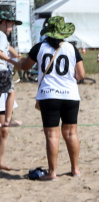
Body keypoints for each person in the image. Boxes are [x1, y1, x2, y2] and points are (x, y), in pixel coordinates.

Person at [15, 16, 84, 181]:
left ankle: (52, 172)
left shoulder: (39, 47)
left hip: (49, 95)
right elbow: (81, 75)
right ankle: (75, 169)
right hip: (70, 95)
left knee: (52, 135)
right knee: (71, 133)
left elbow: (25, 66)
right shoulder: (71, 48)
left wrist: (12, 60)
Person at [0, 11, 23, 127]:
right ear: (5, 22)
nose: (12, 28)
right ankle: (8, 120)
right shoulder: (1, 35)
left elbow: (11, 51)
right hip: (1, 70)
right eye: (12, 24)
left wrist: (17, 57)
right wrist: (13, 62)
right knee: (11, 91)